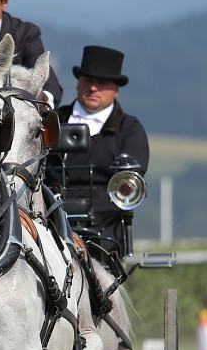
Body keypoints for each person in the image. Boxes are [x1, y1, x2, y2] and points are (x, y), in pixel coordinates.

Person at [45, 45, 149, 257]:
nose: (93, 88)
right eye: (88, 81)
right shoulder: (53, 121)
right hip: (49, 226)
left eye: (102, 84)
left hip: (102, 233)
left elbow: (128, 185)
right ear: (78, 83)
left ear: (116, 89)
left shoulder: (129, 129)